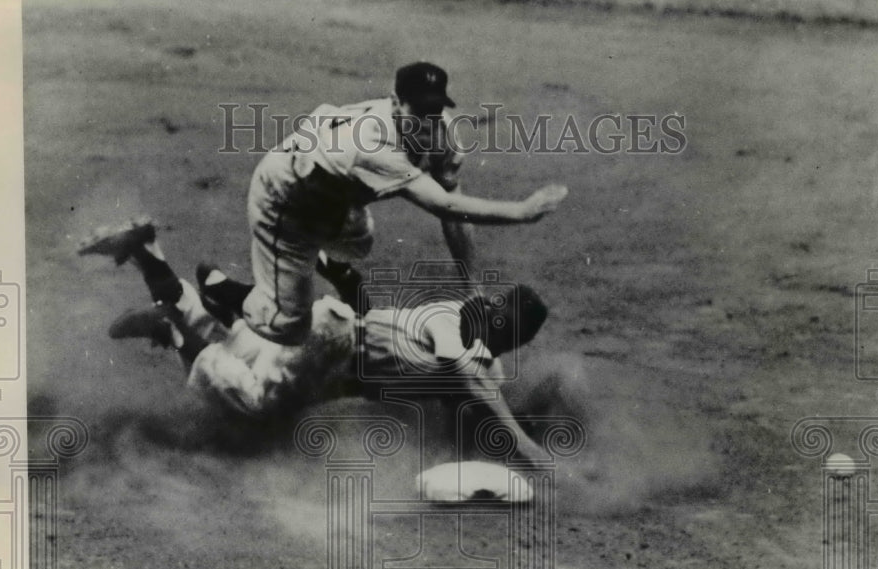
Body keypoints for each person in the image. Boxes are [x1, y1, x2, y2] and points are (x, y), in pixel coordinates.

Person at [78, 220, 550, 465]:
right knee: (253, 406)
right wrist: (540, 459)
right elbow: (475, 385)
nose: (485, 307)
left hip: (320, 342)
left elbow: (472, 399)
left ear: (502, 328)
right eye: (493, 305)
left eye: (495, 311)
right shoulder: (467, 354)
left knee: (236, 348)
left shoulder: (472, 327)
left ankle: (150, 255)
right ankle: (175, 328)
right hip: (332, 347)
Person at [239, 61, 567, 347]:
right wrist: (522, 212)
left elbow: (453, 206)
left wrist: (473, 289)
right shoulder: (370, 143)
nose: (427, 122)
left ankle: (333, 264)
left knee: (360, 238)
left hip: (336, 199)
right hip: (285, 202)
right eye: (418, 112)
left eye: (434, 111)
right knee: (288, 327)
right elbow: (443, 206)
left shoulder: (443, 132)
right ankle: (225, 294)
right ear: (396, 103)